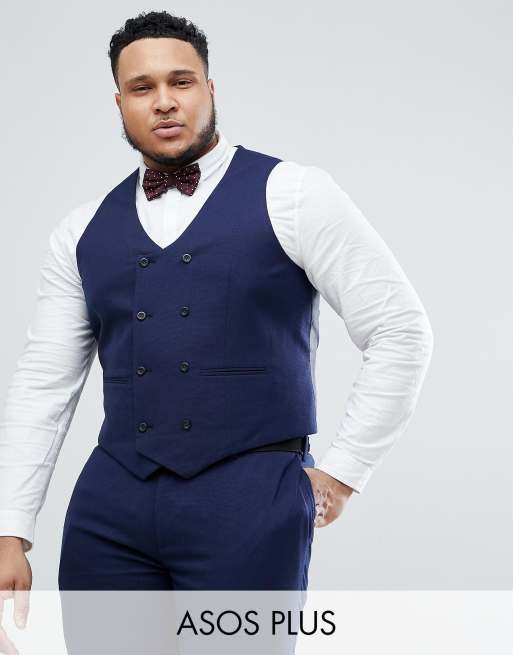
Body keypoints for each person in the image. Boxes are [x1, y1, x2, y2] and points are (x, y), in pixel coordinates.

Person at [0, 10, 433, 602]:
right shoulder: (80, 230)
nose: (164, 102)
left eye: (180, 82)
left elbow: (400, 329)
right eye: (142, 88)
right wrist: (11, 527)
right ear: (120, 104)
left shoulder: (294, 194)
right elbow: (43, 384)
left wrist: (343, 472)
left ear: (209, 89)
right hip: (110, 515)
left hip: (250, 504)